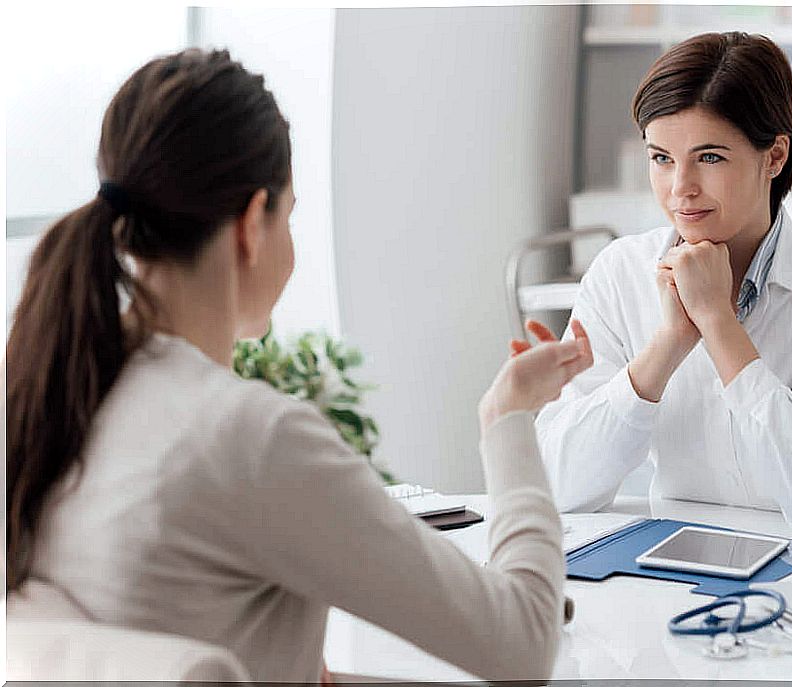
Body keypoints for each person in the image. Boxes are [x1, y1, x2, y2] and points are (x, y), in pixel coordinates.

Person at [4, 49, 594, 683]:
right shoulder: (247, 438)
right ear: (253, 224)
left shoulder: (52, 394)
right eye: (290, 215)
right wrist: (507, 420)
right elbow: (524, 645)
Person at [533, 32, 792, 543]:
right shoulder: (620, 272)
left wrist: (719, 323)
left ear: (774, 157)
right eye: (661, 158)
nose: (680, 187)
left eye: (709, 158)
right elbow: (562, 486)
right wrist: (670, 342)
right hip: (675, 566)